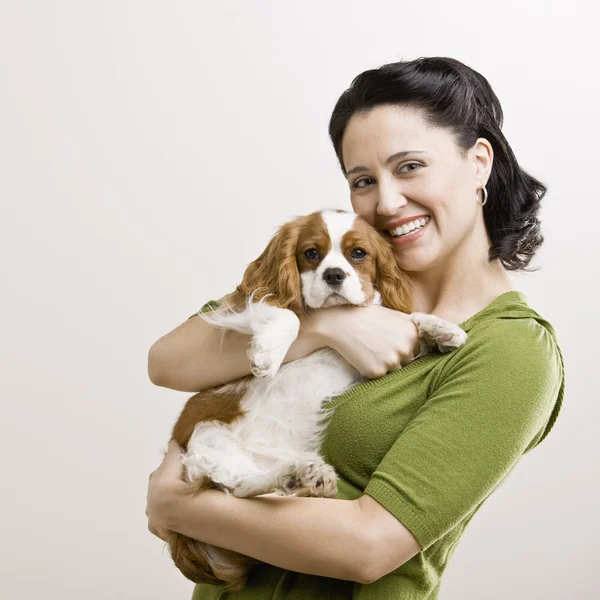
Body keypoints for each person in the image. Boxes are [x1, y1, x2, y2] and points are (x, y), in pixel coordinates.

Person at [145, 57, 565, 599]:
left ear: (478, 162)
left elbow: (367, 547)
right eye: (363, 180)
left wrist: (180, 506)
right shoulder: (324, 277)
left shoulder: (511, 349)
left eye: (411, 166)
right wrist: (325, 328)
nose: (386, 202)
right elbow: (167, 362)